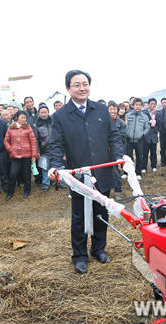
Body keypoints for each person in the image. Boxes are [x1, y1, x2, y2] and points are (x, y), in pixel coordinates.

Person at [48, 70, 124, 274]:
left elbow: (114, 136)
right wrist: (55, 166)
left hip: (102, 171)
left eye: (85, 84)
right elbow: (55, 145)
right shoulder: (60, 116)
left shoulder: (100, 110)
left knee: (101, 212)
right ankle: (79, 255)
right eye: (76, 84)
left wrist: (119, 157)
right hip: (79, 177)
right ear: (68, 88)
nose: (82, 88)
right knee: (80, 216)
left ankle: (99, 249)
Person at [4, 111, 38, 199]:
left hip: (26, 155)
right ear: (16, 117)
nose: (23, 119)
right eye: (21, 117)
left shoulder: (28, 128)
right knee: (13, 174)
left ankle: (27, 190)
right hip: (15, 155)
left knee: (27, 174)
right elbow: (6, 141)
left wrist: (34, 155)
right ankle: (10, 192)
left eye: (25, 118)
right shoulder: (11, 128)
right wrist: (10, 149)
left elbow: (33, 142)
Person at [125, 98, 150, 179]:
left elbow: (147, 128)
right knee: (128, 157)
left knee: (139, 157)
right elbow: (124, 126)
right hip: (129, 140)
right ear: (133, 105)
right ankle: (127, 173)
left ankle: (138, 173)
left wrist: (142, 134)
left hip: (139, 140)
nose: (138, 107)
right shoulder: (127, 115)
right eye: (136, 105)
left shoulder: (144, 116)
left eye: (140, 105)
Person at [108, 102, 127, 200]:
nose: (112, 111)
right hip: (106, 151)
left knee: (116, 172)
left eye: (114, 109)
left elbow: (122, 138)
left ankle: (118, 191)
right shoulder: (103, 122)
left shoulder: (121, 123)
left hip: (116, 151)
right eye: (110, 109)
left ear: (118, 110)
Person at [142, 98, 159, 173]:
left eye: (154, 104)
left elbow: (160, 123)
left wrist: (156, 129)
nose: (152, 105)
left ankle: (154, 166)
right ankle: (144, 167)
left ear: (156, 105)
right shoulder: (143, 112)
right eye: (151, 104)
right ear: (148, 104)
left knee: (154, 152)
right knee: (145, 153)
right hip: (146, 136)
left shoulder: (157, 113)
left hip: (154, 135)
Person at [156, 97, 166, 167]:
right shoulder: (159, 113)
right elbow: (157, 123)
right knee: (162, 148)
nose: (164, 104)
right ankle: (163, 161)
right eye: (163, 103)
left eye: (165, 102)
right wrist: (159, 129)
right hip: (162, 133)